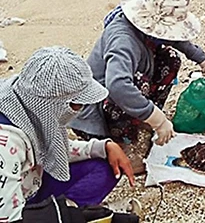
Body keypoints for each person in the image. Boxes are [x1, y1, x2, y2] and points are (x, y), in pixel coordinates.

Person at [70, 0, 205, 147]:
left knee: (170, 58)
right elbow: (118, 86)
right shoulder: (123, 41)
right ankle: (121, 142)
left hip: (116, 94)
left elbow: (176, 40)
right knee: (134, 83)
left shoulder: (145, 27)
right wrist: (158, 120)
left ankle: (140, 116)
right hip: (95, 111)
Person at [0, 46, 135, 222]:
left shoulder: (25, 101)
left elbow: (49, 144)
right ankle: (75, 212)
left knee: (105, 167)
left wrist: (102, 147)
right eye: (77, 104)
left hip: (32, 182)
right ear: (53, 104)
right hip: (16, 209)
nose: (79, 110)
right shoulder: (7, 142)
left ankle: (74, 210)